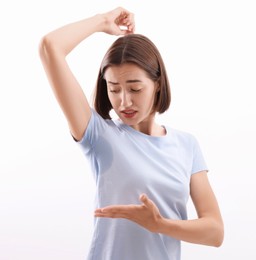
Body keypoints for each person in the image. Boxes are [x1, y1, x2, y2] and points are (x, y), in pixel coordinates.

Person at [39, 7, 223, 260]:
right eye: (114, 89)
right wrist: (102, 21)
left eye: (135, 89)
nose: (124, 102)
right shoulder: (99, 136)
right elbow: (50, 46)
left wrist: (160, 224)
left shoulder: (186, 144)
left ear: (157, 84)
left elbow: (214, 232)